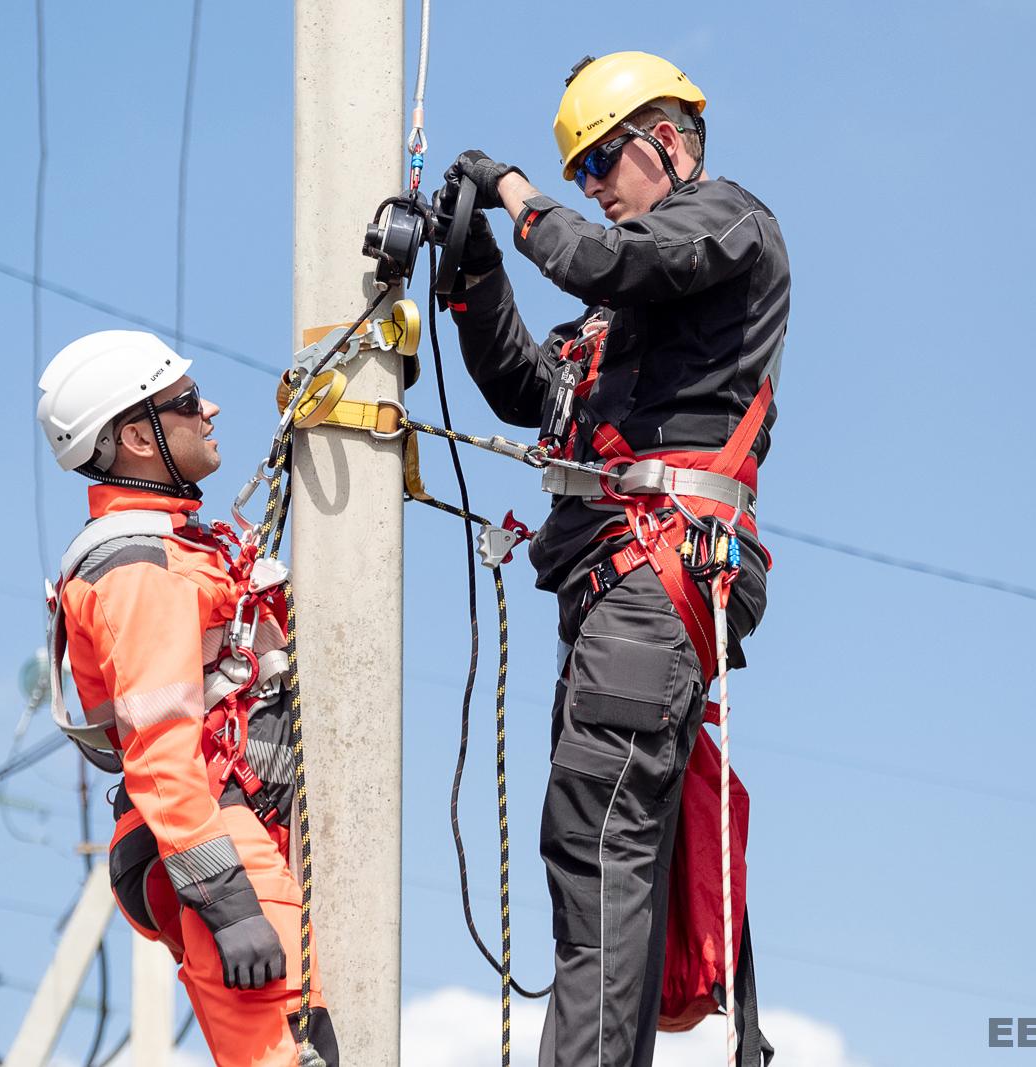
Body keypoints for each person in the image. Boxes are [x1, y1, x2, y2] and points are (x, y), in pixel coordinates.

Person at [438, 52, 789, 1066]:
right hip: (616, 582)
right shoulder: (623, 309)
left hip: (656, 569)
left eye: (599, 164)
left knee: (597, 839)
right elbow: (526, 386)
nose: (592, 188)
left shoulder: (727, 225)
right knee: (599, 842)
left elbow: (601, 258)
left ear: (665, 144)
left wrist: (513, 193)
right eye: (579, 173)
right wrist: (471, 264)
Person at [36, 330, 336, 1067]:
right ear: (138, 436)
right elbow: (161, 755)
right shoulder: (140, 569)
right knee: (291, 1057)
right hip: (217, 838)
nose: (212, 409)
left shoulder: (175, 547)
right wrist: (229, 902)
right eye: (188, 402)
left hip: (237, 825)